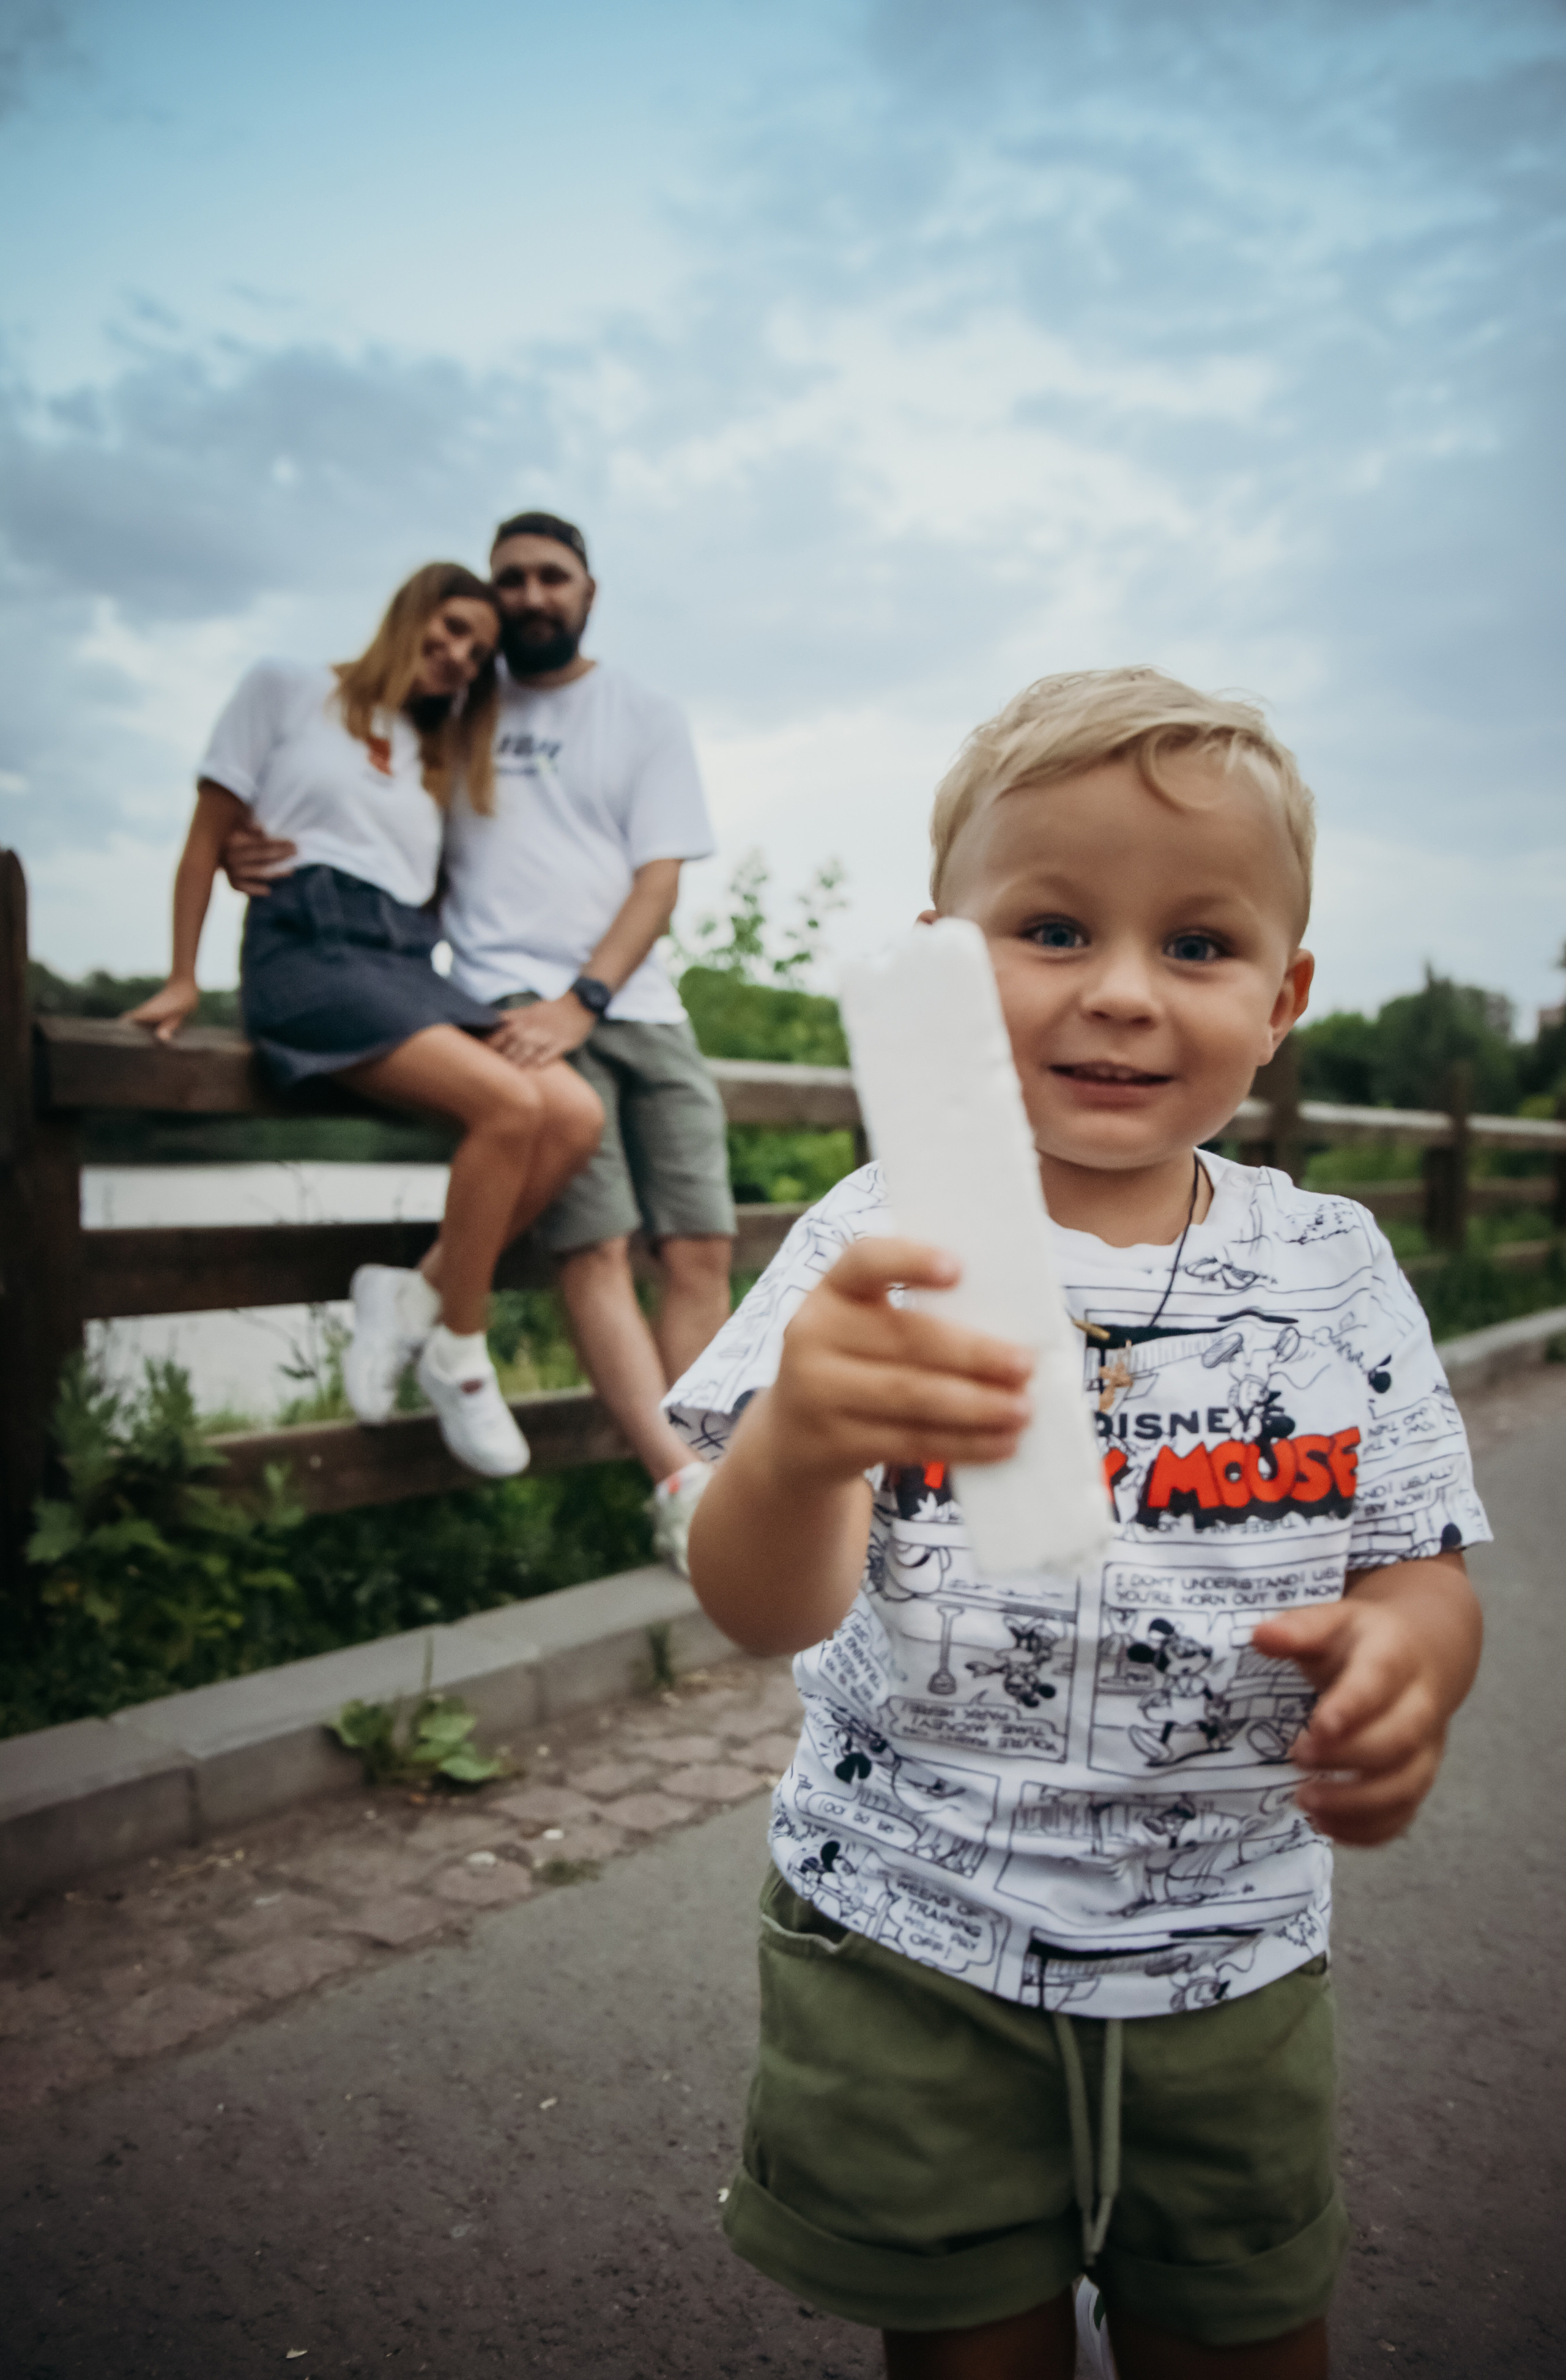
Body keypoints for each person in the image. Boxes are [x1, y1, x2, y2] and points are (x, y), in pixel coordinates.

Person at [670, 667, 1488, 2380]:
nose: (1123, 991)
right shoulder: (873, 1243)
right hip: (908, 1939)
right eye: (1051, 926)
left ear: (1285, 997)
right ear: (937, 963)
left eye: (1198, 945)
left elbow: (1414, 1556)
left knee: (1250, 2335)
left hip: (1232, 1953)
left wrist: (1408, 1657)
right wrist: (806, 1443)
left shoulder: (1333, 1266)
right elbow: (761, 1603)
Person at [223, 513, 735, 1572]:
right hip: (505, 1003)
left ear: (589, 590)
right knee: (592, 1247)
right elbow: (355, 799)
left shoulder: (642, 712)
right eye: (512, 580)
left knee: (700, 1247)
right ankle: (684, 1492)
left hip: (636, 1002)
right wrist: (253, 844)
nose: (532, 595)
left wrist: (585, 998)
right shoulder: (454, 717)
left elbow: (661, 875)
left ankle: (728, 1473)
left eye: (553, 576)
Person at [125, 563, 603, 1482]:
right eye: (452, 627)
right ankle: (460, 1351)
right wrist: (182, 976)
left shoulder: (436, 756)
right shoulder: (286, 689)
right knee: (509, 1107)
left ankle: (411, 1293)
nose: (459, 654)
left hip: (404, 962)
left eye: (477, 648)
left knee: (573, 1116)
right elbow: (202, 839)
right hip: (307, 952)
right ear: (411, 610)